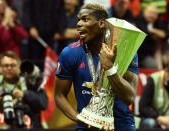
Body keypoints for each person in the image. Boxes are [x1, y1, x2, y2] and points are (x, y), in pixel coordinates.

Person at [54, 3, 138, 131]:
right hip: (86, 127)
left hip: (121, 126)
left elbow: (129, 97)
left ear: (101, 23)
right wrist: (81, 120)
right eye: (78, 20)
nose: (78, 24)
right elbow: (59, 95)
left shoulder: (124, 52)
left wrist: (110, 68)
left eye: (85, 19)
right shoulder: (69, 53)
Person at [0, 51, 48, 129]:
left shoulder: (29, 81)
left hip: (27, 124)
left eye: (13, 65)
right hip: (1, 125)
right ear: (0, 68)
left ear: (19, 66)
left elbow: (43, 104)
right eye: (6, 65)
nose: (9, 68)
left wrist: (24, 94)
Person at [139, 50, 169, 129]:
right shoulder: (153, 79)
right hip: (154, 117)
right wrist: (159, 117)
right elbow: (143, 107)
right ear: (166, 71)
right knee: (149, 123)